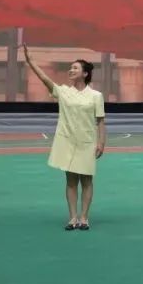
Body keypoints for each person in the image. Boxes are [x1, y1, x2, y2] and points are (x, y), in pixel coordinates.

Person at [22, 44, 106, 230]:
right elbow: (44, 78)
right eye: (71, 67)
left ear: (85, 73)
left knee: (87, 181)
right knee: (70, 181)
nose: (71, 70)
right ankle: (72, 218)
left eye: (75, 68)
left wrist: (101, 142)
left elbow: (100, 121)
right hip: (67, 141)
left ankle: (84, 218)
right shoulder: (63, 92)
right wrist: (30, 61)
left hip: (87, 142)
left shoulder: (95, 96)